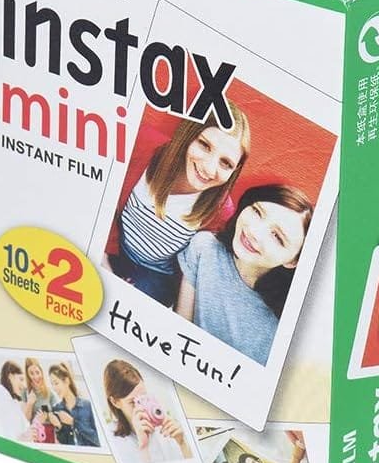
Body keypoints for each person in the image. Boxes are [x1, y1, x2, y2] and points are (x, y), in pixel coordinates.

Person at [105, 103, 250, 307]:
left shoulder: (220, 211)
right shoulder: (143, 144)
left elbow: (201, 270)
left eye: (225, 163)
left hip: (156, 276)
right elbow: (103, 196)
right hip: (114, 247)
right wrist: (105, 259)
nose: (209, 169)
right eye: (205, 145)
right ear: (188, 134)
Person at [175, 184, 313, 366]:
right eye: (257, 211)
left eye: (277, 237)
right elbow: (180, 328)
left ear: (293, 261)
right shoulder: (204, 248)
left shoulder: (288, 325)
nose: (254, 232)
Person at [104, 359, 193, 463]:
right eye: (133, 402)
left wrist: (182, 443)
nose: (142, 408)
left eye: (144, 398)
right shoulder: (112, 440)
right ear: (115, 402)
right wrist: (143, 447)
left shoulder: (162, 425)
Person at [48, 363, 100, 447]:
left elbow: (98, 440)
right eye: (52, 384)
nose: (54, 388)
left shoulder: (87, 406)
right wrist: (59, 426)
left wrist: (73, 422)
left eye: (56, 383)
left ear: (66, 381)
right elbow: (65, 444)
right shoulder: (57, 409)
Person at [0, 361, 38, 443]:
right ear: (10, 376)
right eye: (21, 379)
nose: (24, 385)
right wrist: (24, 438)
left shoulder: (13, 402)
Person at [23, 358, 59, 425]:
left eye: (37, 372)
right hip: (35, 430)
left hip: (50, 429)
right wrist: (30, 404)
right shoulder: (25, 392)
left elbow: (58, 416)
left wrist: (48, 416)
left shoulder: (49, 392)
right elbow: (25, 420)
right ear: (28, 376)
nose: (36, 377)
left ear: (41, 372)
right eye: (31, 373)